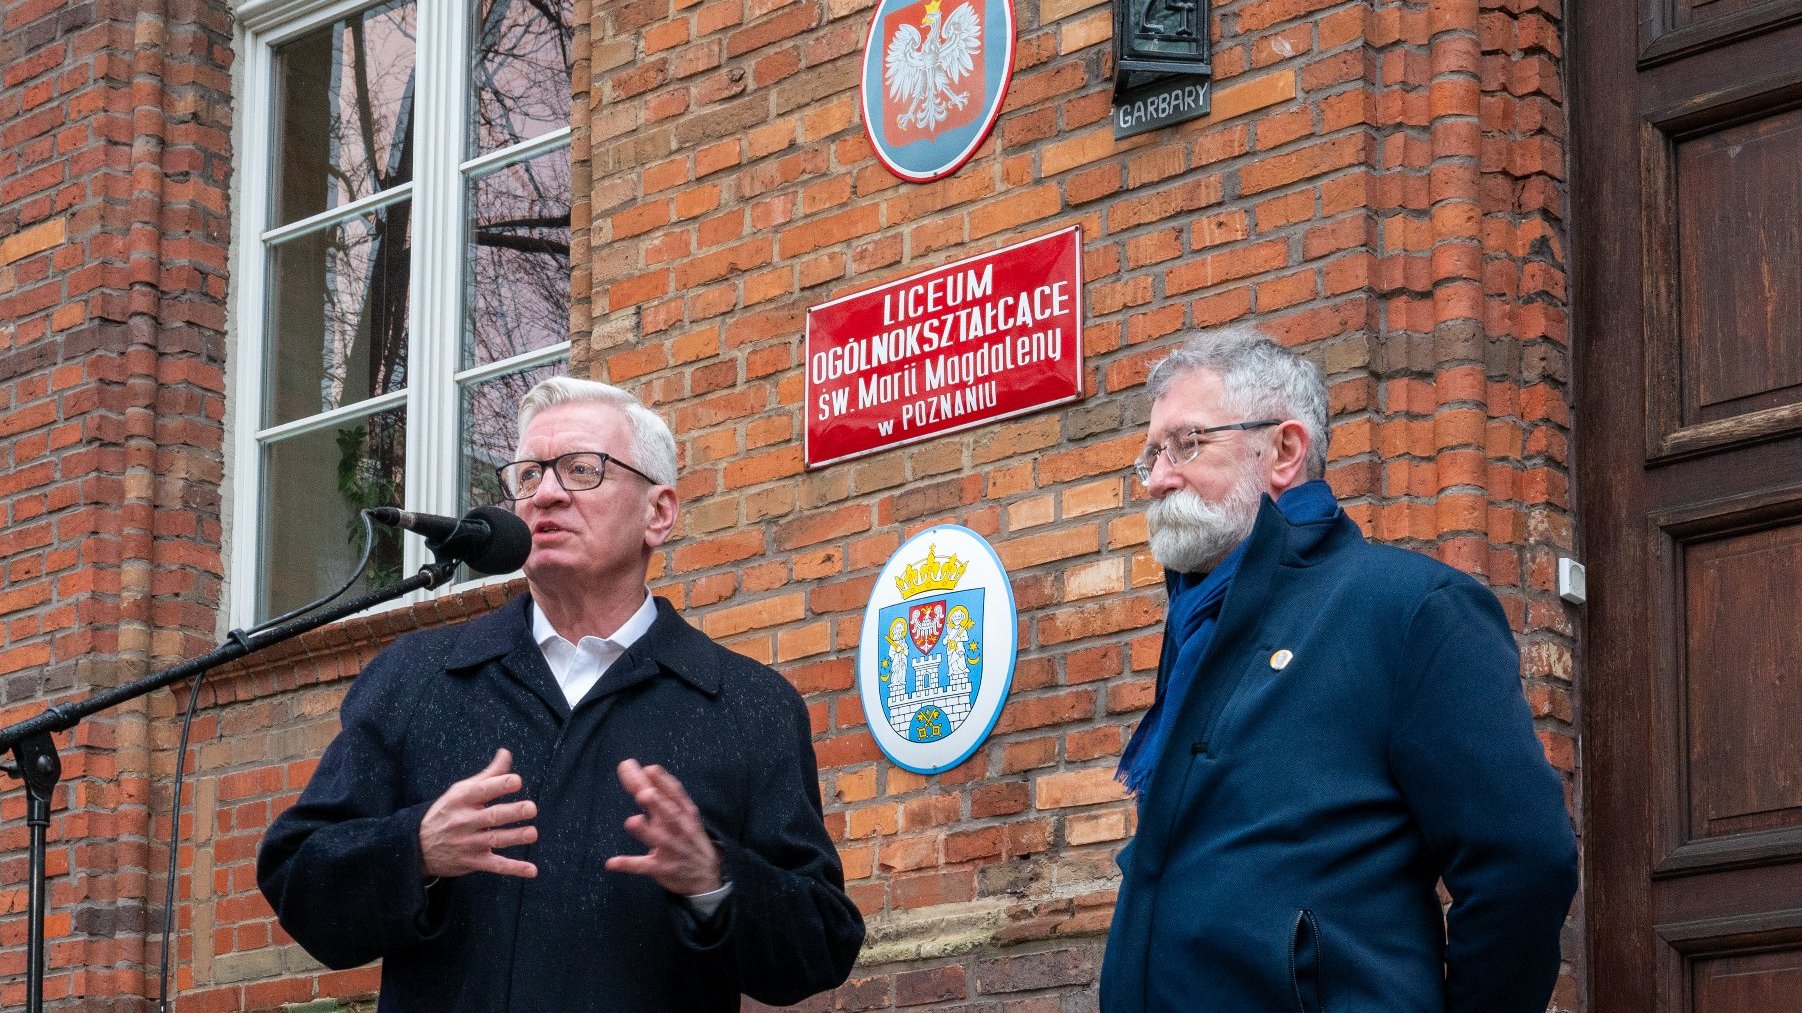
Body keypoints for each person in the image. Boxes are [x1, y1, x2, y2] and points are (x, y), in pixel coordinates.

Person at [258, 377, 864, 1012]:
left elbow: (821, 945)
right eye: (527, 476)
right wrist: (416, 850)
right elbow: (299, 880)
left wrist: (713, 879)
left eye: (582, 470)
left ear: (658, 512)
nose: (546, 493)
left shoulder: (746, 704)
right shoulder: (419, 678)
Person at [1100, 326, 1578, 1013]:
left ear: (1285, 451)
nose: (1159, 476)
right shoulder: (1202, 625)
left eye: (1186, 444)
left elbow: (1523, 863)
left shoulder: (1411, 609)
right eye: (1151, 454)